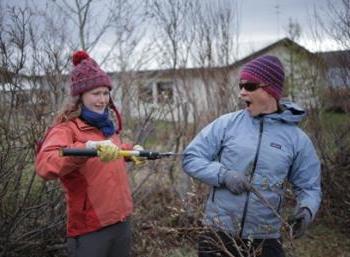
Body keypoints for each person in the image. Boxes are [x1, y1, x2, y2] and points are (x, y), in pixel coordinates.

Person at [182, 55, 322, 257]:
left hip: (264, 237)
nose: (242, 92)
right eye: (241, 85)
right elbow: (190, 157)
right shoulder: (226, 124)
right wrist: (223, 175)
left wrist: (307, 210)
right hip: (218, 232)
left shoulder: (297, 139)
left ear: (270, 89)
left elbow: (310, 186)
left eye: (249, 86)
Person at [35, 51, 138, 257]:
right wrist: (86, 150)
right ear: (80, 97)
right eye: (95, 94)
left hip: (121, 220)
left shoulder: (105, 127)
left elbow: (111, 151)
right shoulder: (66, 129)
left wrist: (130, 151)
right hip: (91, 228)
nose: (102, 100)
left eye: (105, 93)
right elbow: (45, 165)